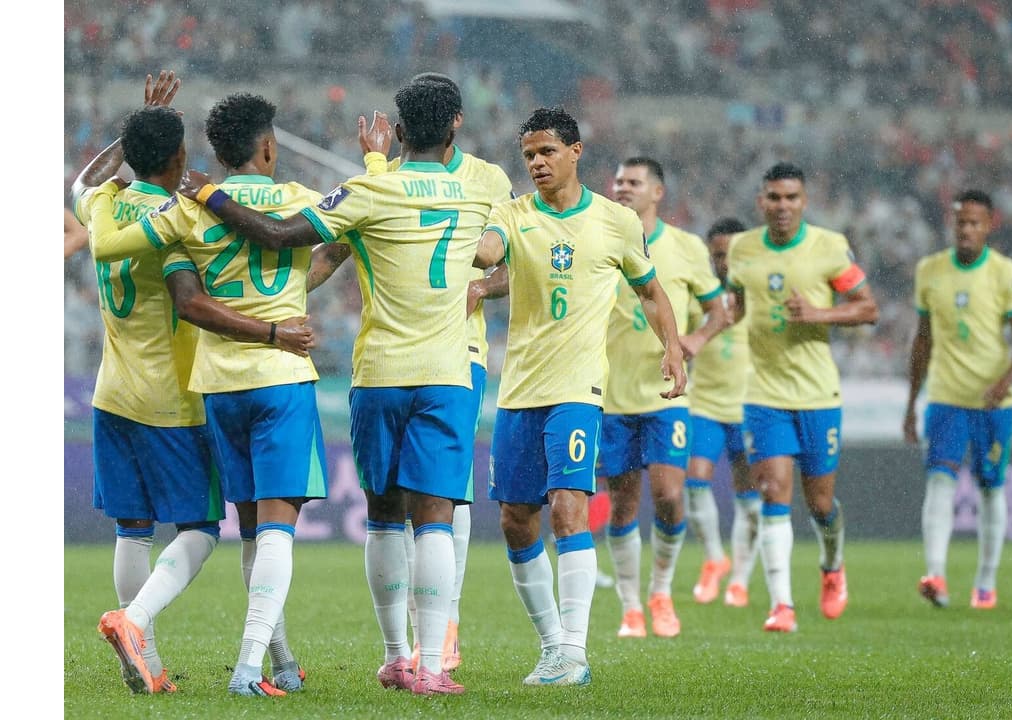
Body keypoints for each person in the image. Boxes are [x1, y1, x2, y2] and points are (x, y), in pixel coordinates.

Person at [85, 92, 331, 697]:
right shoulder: (291, 199)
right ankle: (183, 641)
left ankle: (254, 660)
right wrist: (276, 327)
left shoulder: (124, 206)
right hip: (196, 395)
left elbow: (88, 197)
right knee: (241, 530)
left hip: (145, 390)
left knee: (135, 529)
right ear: (267, 146)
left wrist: (135, 138)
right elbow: (294, 241)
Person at [304, 72, 513, 689]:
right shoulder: (476, 186)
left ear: (397, 129)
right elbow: (500, 253)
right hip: (443, 363)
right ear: (456, 122)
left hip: (410, 361)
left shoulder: (385, 184)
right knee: (433, 509)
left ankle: (425, 642)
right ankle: (422, 655)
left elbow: (327, 251)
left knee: (407, 509)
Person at [471, 106, 686, 685]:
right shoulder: (513, 213)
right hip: (519, 388)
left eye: (547, 152)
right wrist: (475, 240)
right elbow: (489, 253)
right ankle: (552, 647)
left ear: (575, 151)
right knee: (516, 520)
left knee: (569, 507)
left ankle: (574, 651)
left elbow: (649, 290)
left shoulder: (616, 221)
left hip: (578, 387)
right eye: (529, 155)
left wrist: (671, 346)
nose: (537, 163)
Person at [726, 162, 878, 632]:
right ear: (761, 202)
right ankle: (782, 605)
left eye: (791, 197)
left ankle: (832, 565)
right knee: (773, 491)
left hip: (817, 394)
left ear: (804, 202)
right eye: (774, 197)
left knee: (820, 504)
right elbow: (737, 305)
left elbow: (868, 308)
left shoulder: (829, 247)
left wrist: (818, 314)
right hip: (763, 392)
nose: (783, 206)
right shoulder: (741, 248)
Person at [600, 157, 729, 639]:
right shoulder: (600, 239)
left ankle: (661, 591)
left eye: (634, 182)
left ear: (657, 192)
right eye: (618, 181)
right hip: (612, 396)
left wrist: (694, 340)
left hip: (667, 394)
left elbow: (720, 311)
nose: (622, 188)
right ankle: (631, 606)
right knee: (622, 505)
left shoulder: (686, 247)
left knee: (670, 496)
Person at [903, 190, 1012, 610]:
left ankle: (985, 582)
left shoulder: (1003, 272)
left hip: (993, 403)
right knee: (939, 480)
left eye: (974, 223)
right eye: (960, 222)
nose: (966, 230)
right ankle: (936, 576)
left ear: (989, 225)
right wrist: (911, 402)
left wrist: (1004, 382)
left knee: (990, 488)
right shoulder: (930, 270)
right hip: (945, 397)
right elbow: (922, 340)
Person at [684, 216, 761, 608]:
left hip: (749, 405)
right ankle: (715, 558)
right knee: (696, 480)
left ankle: (741, 579)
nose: (725, 262)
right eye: (717, 255)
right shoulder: (699, 294)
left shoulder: (759, 293)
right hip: (705, 404)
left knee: (750, 494)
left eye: (731, 254)